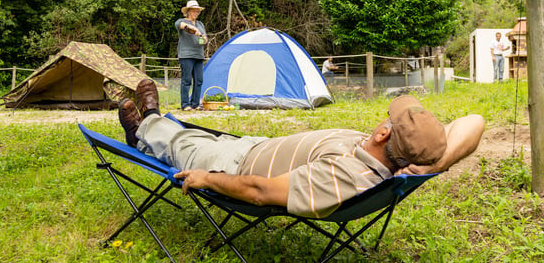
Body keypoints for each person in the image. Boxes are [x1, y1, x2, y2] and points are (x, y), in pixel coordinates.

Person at [119, 79, 485, 219]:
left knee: (184, 141)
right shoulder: (397, 156)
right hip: (256, 146)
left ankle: (145, 125)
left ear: (382, 135)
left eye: (387, 120)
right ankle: (153, 126)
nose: (384, 120)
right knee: (206, 138)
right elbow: (475, 121)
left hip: (233, 165)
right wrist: (436, 162)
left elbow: (260, 192)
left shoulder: (344, 177)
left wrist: (208, 178)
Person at [175, 0, 208, 110]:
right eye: (193, 11)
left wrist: (203, 38)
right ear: (188, 12)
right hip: (186, 55)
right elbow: (180, 25)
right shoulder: (182, 21)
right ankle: (185, 104)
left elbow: (205, 39)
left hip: (199, 55)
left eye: (197, 11)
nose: (195, 13)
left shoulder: (200, 24)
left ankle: (195, 103)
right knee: (186, 80)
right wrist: (193, 29)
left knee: (199, 80)